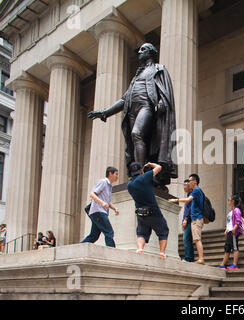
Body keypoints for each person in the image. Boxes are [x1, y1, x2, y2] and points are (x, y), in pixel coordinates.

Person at [88, 43, 178, 190]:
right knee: (135, 139)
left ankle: (141, 175)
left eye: (144, 50)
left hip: (147, 106)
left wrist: (162, 103)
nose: (140, 53)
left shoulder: (158, 69)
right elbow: (124, 99)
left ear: (151, 53)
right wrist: (105, 112)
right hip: (132, 110)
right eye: (140, 50)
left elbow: (165, 91)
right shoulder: (137, 77)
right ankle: (140, 172)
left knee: (136, 133)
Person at [127, 162, 170, 258]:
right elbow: (159, 167)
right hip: (153, 210)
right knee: (163, 231)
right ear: (141, 171)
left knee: (141, 232)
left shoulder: (129, 185)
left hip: (140, 211)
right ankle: (162, 253)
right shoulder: (144, 177)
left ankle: (139, 250)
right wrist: (150, 164)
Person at [169, 173, 205, 264]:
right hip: (195, 218)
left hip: (197, 218)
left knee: (197, 239)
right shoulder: (195, 191)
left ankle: (201, 259)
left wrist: (176, 200)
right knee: (196, 239)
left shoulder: (196, 190)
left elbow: (188, 200)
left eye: (190, 180)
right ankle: (199, 258)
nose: (188, 182)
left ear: (195, 181)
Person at [81, 166, 120, 247]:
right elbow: (92, 194)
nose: (117, 176)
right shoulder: (103, 182)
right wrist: (102, 203)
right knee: (109, 232)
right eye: (116, 174)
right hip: (98, 211)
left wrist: (114, 208)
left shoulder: (109, 186)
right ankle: (111, 251)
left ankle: (77, 249)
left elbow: (108, 201)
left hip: (99, 212)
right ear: (110, 174)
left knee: (93, 236)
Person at [217, 195, 244, 270]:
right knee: (227, 247)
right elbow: (229, 222)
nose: (228, 201)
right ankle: (223, 264)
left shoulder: (236, 210)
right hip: (229, 231)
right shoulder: (232, 211)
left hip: (233, 232)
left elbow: (238, 221)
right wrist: (226, 230)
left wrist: (234, 229)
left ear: (233, 201)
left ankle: (234, 264)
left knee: (235, 247)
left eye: (229, 200)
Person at [181, 179, 194, 262]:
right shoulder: (189, 195)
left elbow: (189, 209)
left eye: (186, 185)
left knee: (186, 239)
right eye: (184, 185)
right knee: (188, 239)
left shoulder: (191, 196)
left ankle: (188, 258)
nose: (184, 187)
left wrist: (185, 219)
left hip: (189, 220)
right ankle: (190, 258)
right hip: (188, 220)